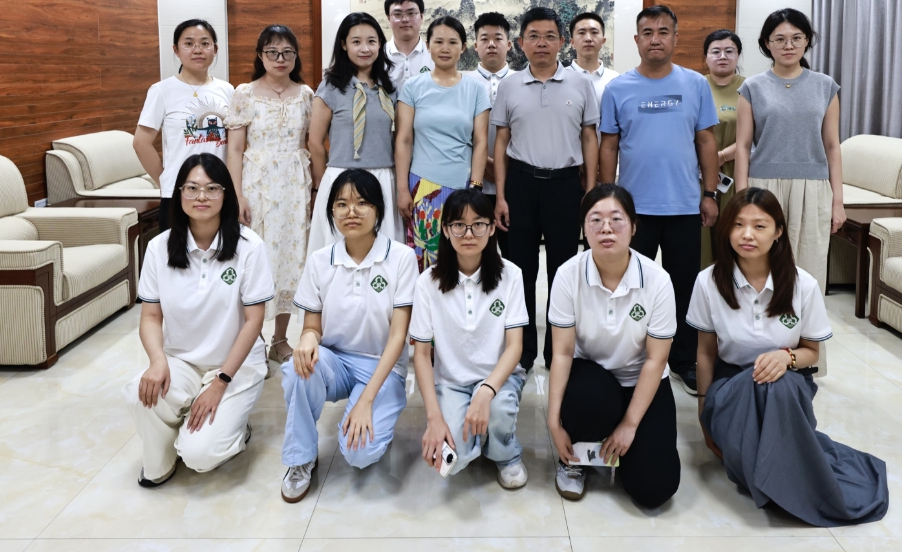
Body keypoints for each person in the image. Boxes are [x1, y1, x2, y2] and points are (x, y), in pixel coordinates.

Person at [689, 188, 888, 526]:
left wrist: (786, 358)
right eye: (738, 224)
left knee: (777, 386)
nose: (747, 234)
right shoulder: (708, 282)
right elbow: (706, 353)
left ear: (778, 231)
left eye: (759, 226)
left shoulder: (803, 284)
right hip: (730, 387)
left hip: (787, 384)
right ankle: (793, 483)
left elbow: (812, 352)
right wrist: (704, 414)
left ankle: (787, 487)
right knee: (761, 396)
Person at [125, 154, 272, 487]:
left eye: (212, 188)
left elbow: (254, 321)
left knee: (200, 455)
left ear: (226, 195)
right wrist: (157, 361)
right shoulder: (159, 248)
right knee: (139, 392)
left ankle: (234, 428)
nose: (201, 196)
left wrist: (221, 381)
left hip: (235, 366)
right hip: (182, 360)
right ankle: (161, 459)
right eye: (191, 188)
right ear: (179, 193)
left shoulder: (250, 247)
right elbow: (150, 316)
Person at [599, 5, 719, 395]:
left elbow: (706, 141)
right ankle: (632, 353)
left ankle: (682, 358)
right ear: (636, 40)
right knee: (631, 285)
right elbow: (609, 146)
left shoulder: (695, 84)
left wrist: (709, 194)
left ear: (675, 38)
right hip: (633, 211)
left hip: (684, 205)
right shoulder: (618, 88)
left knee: (683, 286)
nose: (655, 39)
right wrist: (608, 200)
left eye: (663, 32)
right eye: (648, 32)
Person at [280, 169, 416, 503]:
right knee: (297, 368)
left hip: (382, 367)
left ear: (378, 209)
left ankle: (376, 414)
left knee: (359, 454)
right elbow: (312, 326)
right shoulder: (320, 261)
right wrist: (308, 338)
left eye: (362, 203)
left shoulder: (401, 258)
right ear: (331, 211)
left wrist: (366, 401)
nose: (351, 211)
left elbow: (398, 337)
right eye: (341, 204)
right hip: (335, 362)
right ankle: (300, 458)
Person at [546, 184, 680, 508]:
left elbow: (656, 360)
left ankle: (619, 448)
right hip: (590, 379)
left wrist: (630, 425)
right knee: (591, 399)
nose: (606, 228)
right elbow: (562, 353)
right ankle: (575, 458)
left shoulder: (657, 280)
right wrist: (553, 420)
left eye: (616, 219)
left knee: (654, 489)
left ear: (633, 227)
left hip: (640, 380)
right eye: (595, 220)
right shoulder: (567, 275)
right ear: (584, 229)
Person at [494, 6, 598, 372]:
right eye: (534, 36)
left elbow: (589, 137)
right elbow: (501, 141)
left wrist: (591, 191)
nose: (542, 43)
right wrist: (501, 195)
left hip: (566, 186)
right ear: (521, 43)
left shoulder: (580, 84)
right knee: (520, 271)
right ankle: (522, 352)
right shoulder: (509, 85)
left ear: (563, 42)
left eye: (549, 36)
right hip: (521, 184)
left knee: (563, 272)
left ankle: (558, 352)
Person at [411, 189, 529, 488]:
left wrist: (486, 392)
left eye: (478, 224)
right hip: (451, 382)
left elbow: (515, 346)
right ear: (445, 230)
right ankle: (474, 436)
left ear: (491, 229)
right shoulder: (427, 283)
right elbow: (422, 355)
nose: (468, 233)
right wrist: (434, 418)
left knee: (499, 409)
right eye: (458, 225)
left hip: (499, 377)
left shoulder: (511, 275)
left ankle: (505, 453)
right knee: (450, 463)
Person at [734, 8, 844, 291]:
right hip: (763, 187)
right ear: (767, 43)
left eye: (796, 38)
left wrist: (838, 202)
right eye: (780, 39)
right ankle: (759, 318)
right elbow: (743, 146)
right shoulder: (752, 87)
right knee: (761, 264)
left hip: (813, 187)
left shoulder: (825, 86)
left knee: (809, 267)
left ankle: (805, 321)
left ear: (807, 41)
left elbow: (832, 146)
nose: (789, 45)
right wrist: (741, 198)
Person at [226, 25, 313, 367]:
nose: (280, 58)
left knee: (291, 258)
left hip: (294, 188)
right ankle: (254, 342)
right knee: (255, 260)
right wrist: (237, 195)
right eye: (272, 52)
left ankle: (279, 339)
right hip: (256, 187)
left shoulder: (306, 94)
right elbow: (235, 149)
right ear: (260, 55)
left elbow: (312, 143)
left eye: (287, 52)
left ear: (296, 56)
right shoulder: (244, 94)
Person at [395, 16, 491, 272]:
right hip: (422, 187)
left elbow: (481, 142)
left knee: (463, 257)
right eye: (438, 42)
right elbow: (404, 139)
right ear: (428, 45)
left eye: (452, 42)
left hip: (462, 185)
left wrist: (475, 187)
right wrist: (402, 188)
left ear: (463, 47)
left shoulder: (476, 89)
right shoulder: (412, 87)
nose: (445, 48)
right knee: (424, 260)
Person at [308, 12, 403, 253]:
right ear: (344, 44)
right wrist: (326, 183)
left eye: (371, 41)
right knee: (339, 252)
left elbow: (398, 139)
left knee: (382, 252)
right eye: (356, 41)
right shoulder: (330, 87)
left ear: (380, 44)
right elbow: (315, 142)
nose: (365, 48)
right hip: (341, 179)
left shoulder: (390, 88)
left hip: (383, 178)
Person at [135, 19, 235, 231]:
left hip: (219, 191)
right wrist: (166, 181)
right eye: (189, 44)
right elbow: (141, 143)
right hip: (179, 192)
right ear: (176, 50)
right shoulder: (162, 90)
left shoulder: (227, 90)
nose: (197, 50)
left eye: (205, 43)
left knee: (222, 248)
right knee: (177, 250)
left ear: (215, 49)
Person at [464, 12, 513, 254]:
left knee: (514, 251)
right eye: (484, 39)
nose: (491, 44)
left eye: (498, 38)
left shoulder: (521, 81)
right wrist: (483, 164)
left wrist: (501, 168)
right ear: (475, 45)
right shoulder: (463, 82)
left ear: (509, 44)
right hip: (473, 182)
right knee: (475, 250)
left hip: (513, 182)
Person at [700, 29, 746, 268]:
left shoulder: (749, 88)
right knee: (701, 237)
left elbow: (756, 136)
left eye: (729, 51)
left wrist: (722, 156)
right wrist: (708, 160)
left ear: (738, 56)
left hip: (737, 171)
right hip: (698, 173)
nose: (722, 56)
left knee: (733, 232)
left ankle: (732, 285)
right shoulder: (695, 85)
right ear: (706, 57)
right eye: (715, 51)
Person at [384, 0, 434, 87]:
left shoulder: (434, 54)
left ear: (421, 17)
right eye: (397, 14)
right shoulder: (379, 55)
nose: (405, 19)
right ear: (389, 19)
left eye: (411, 13)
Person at [568, 11, 619, 105]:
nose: (588, 39)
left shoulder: (615, 79)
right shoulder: (560, 78)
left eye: (594, 32)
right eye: (581, 33)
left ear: (603, 41)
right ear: (572, 42)